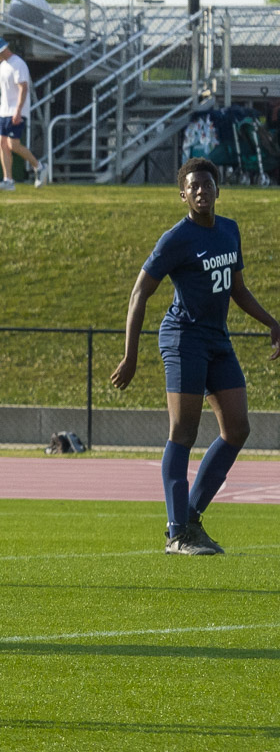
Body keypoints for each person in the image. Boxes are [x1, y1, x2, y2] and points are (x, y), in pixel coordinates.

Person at [111, 157, 280, 555]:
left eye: (207, 184)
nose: (201, 191)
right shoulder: (177, 239)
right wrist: (130, 355)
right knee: (183, 432)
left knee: (237, 428)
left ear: (218, 190)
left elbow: (236, 289)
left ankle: (191, 519)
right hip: (183, 337)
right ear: (183, 194)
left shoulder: (229, 231)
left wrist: (272, 322)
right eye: (193, 186)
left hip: (217, 340)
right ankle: (176, 532)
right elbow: (140, 293)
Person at [0, 37, 44, 191]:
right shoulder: (2, 66)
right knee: (2, 143)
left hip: (16, 111)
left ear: (3, 50)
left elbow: (23, 88)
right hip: (4, 110)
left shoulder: (18, 64)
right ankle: (8, 180)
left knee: (13, 145)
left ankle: (39, 166)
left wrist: (18, 111)